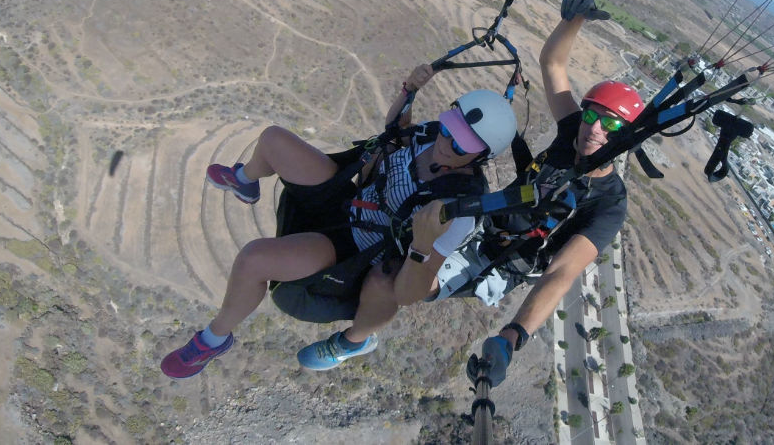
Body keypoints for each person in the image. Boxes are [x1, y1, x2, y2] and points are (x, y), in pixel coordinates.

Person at [160, 63, 518, 378]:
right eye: (448, 128)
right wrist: (409, 91)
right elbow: (395, 131)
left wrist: (422, 247)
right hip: (350, 202)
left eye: (460, 144)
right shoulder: (429, 136)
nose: (447, 142)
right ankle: (245, 181)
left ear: (482, 155)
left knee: (255, 260)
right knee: (273, 139)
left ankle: (214, 340)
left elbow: (408, 295)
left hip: (357, 249)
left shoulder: (456, 209)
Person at [468, 0, 643, 387]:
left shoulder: (609, 205)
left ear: (627, 138)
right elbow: (552, 63)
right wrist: (573, 21)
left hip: (507, 256)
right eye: (593, 114)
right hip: (484, 214)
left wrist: (513, 337)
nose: (595, 128)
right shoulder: (572, 133)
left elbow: (562, 274)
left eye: (612, 125)